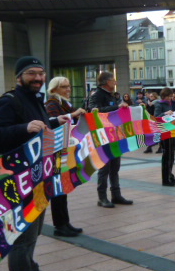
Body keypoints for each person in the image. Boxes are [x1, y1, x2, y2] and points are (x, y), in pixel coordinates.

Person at [0, 56, 70, 271]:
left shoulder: (35, 99)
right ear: (19, 76)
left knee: (33, 230)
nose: (37, 78)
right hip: (16, 178)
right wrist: (23, 129)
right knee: (22, 233)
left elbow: (39, 125)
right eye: (32, 73)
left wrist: (55, 121)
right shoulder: (8, 101)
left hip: (37, 175)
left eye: (41, 73)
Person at [45, 76, 86, 237]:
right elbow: (51, 123)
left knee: (63, 187)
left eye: (68, 86)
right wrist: (74, 114)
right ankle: (60, 225)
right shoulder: (52, 104)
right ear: (54, 89)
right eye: (64, 87)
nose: (68, 89)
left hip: (63, 150)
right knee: (58, 189)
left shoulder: (63, 103)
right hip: (55, 151)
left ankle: (65, 222)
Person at [88, 71, 134, 208]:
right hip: (103, 136)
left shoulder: (113, 95)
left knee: (115, 166)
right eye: (113, 80)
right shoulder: (96, 95)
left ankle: (116, 195)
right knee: (104, 168)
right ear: (107, 82)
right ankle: (102, 197)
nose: (115, 82)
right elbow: (94, 111)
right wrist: (116, 107)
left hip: (115, 135)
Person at [154, 87, 175, 186]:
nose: (170, 98)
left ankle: (170, 175)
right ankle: (165, 179)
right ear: (164, 96)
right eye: (169, 97)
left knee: (172, 155)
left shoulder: (169, 104)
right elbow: (156, 117)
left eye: (171, 97)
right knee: (167, 156)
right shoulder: (159, 104)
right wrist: (165, 113)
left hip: (171, 130)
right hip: (164, 132)